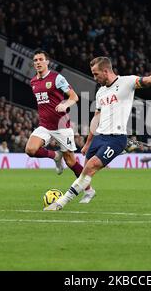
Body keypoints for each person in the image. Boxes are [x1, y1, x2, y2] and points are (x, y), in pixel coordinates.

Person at [44, 54, 151, 210]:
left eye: (96, 74)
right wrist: (88, 143)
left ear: (106, 71)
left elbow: (150, 81)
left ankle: (60, 203)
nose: (94, 77)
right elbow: (96, 118)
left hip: (116, 139)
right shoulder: (100, 92)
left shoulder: (127, 82)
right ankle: (89, 193)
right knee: (86, 171)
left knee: (90, 166)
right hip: (99, 137)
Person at [25, 50, 95, 203]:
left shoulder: (57, 78)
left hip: (62, 126)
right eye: (35, 60)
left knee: (71, 162)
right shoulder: (33, 82)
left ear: (47, 62)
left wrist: (66, 104)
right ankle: (55, 156)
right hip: (44, 126)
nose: (37, 62)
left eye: (40, 59)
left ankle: (89, 190)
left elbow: (74, 97)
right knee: (30, 149)